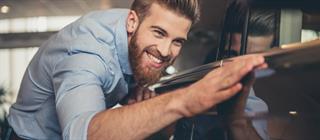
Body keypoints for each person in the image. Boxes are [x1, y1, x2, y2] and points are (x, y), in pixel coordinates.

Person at [4, 0, 266, 140]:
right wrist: (185, 101)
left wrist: (134, 88)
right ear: (132, 21)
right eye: (159, 33)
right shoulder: (86, 51)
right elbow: (81, 135)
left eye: (177, 41)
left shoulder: (135, 33)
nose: (166, 51)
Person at [173, 2, 276, 140]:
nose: (243, 67)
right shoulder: (204, 77)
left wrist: (237, 122)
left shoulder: (257, 102)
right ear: (221, 52)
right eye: (233, 55)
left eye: (255, 58)